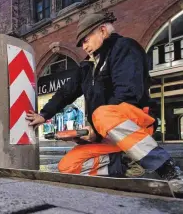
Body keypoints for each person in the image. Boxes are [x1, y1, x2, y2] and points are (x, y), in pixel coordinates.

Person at [26, 12, 182, 189]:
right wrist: (44, 114)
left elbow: (128, 93)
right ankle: (127, 163)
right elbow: (65, 92)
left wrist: (96, 129)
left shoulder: (125, 47)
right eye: (81, 44)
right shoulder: (87, 66)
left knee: (101, 114)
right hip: (107, 133)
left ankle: (166, 167)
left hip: (136, 122)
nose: (83, 47)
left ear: (102, 30)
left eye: (85, 40)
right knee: (68, 165)